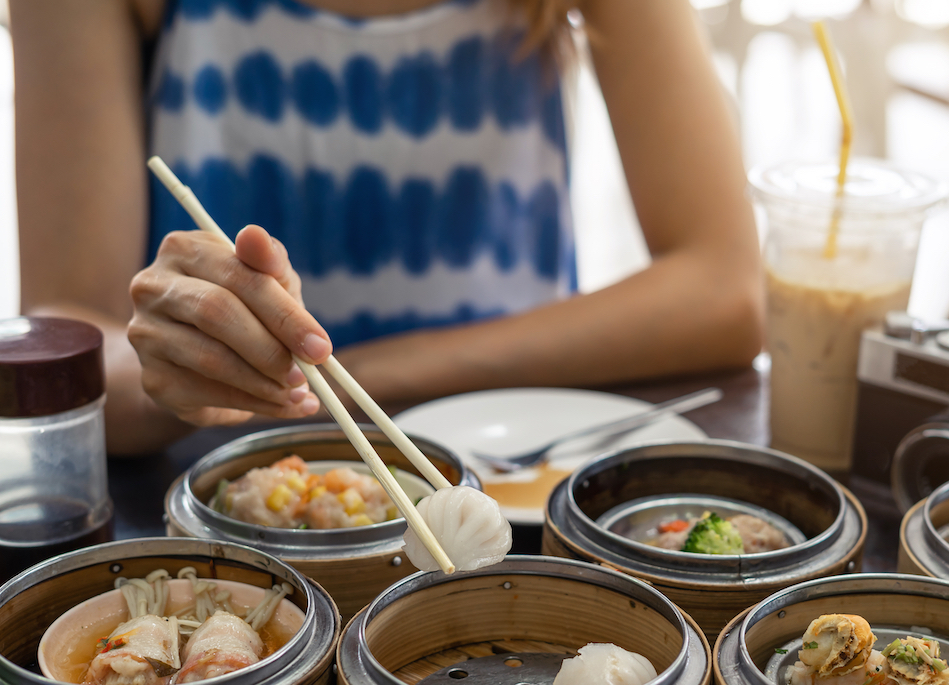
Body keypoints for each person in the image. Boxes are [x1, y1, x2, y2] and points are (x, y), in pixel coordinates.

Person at [13, 0, 762, 455]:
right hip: (219, 495)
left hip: (514, 476)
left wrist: (330, 379)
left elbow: (726, 292)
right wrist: (175, 379)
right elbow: (65, 340)